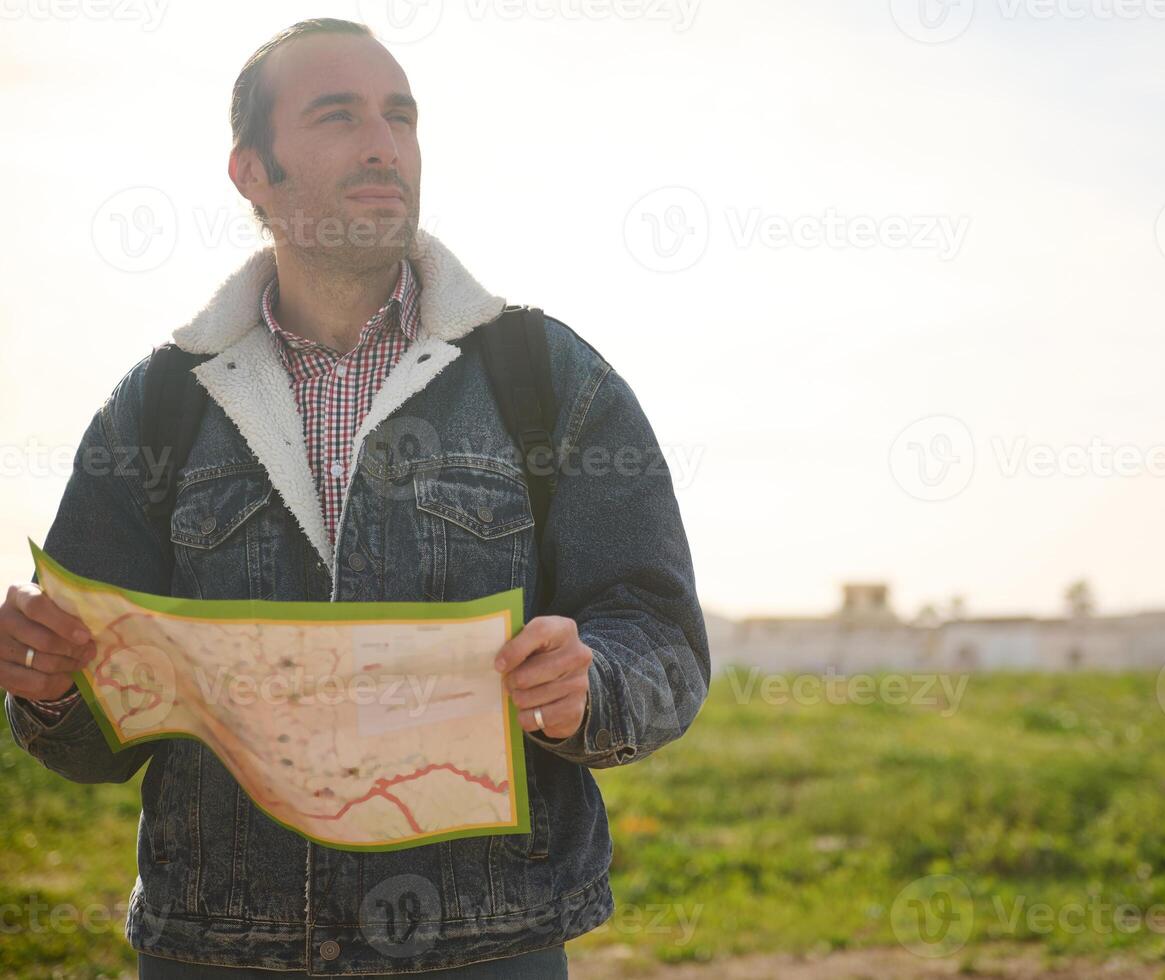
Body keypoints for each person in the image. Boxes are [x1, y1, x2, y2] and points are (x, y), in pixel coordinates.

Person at [1, 18, 709, 978]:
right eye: (338, 117)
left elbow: (657, 629)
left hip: (483, 951)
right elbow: (94, 734)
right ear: (251, 171)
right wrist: (47, 690)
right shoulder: (158, 408)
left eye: (400, 116)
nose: (383, 143)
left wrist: (593, 686)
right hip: (218, 950)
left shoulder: (547, 379)